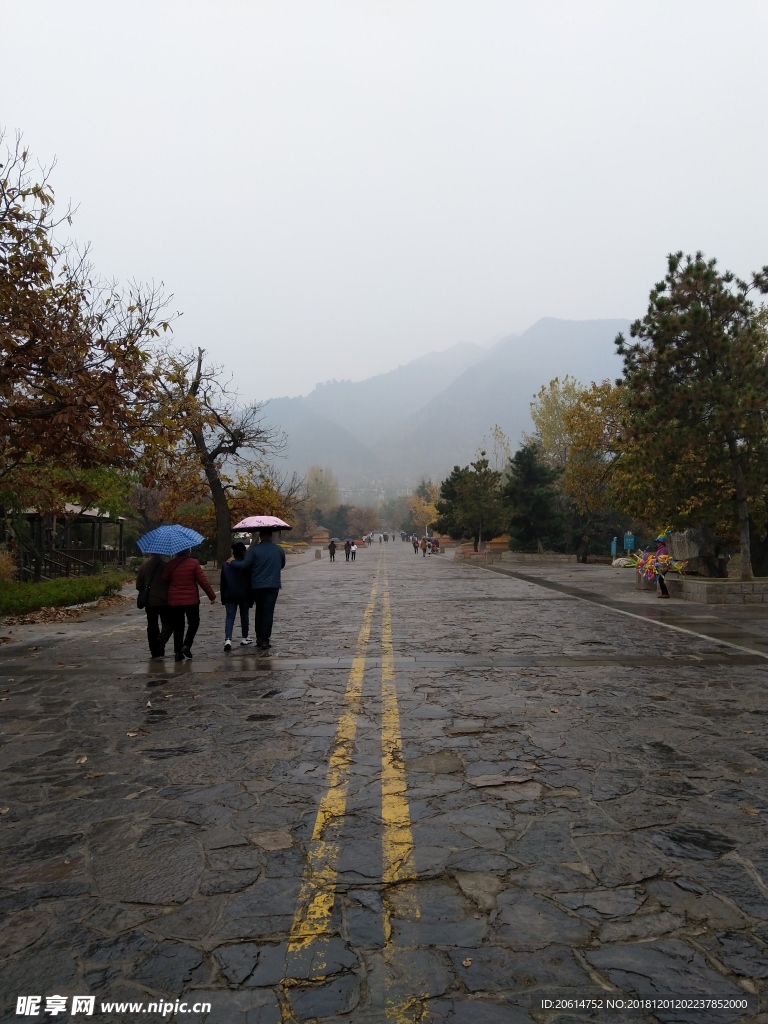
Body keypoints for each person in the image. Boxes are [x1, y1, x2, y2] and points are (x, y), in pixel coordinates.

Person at [230, 528, 286, 650]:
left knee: (259, 611)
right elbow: (282, 564)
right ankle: (266, 639)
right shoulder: (279, 550)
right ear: (271, 536)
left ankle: (259, 638)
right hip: (273, 584)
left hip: (257, 585)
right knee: (268, 612)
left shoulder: (254, 550)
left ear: (260, 536)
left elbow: (244, 566)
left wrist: (232, 562)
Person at [161, 548, 216, 661]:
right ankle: (186, 645)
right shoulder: (194, 563)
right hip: (191, 601)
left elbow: (164, 579)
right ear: (188, 552)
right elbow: (203, 581)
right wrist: (211, 596)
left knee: (178, 626)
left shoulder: (170, 564)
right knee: (194, 623)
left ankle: (177, 652)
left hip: (175, 601)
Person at [136, 553, 171, 658]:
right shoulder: (166, 566)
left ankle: (154, 650)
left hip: (150, 602)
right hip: (164, 601)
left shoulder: (144, 567)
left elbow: (138, 585)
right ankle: (160, 643)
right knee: (167, 624)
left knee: (152, 626)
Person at [220, 541, 252, 651]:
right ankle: (244, 637)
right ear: (243, 552)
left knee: (229, 617)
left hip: (229, 594)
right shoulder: (246, 565)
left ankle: (228, 639)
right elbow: (250, 581)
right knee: (244, 615)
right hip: (244, 594)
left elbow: (223, 582)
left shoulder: (226, 565)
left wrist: (223, 598)